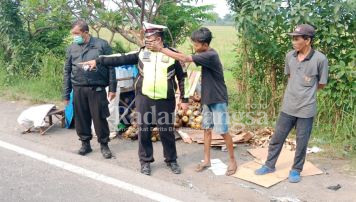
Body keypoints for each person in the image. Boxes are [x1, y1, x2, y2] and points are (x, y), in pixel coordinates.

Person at [80, 22, 190, 176]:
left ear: (159, 40)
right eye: (146, 39)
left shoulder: (172, 55)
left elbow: (182, 78)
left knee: (166, 131)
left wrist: (184, 99)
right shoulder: (142, 53)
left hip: (165, 100)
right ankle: (145, 161)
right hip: (144, 98)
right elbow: (120, 59)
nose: (147, 41)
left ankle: (171, 160)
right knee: (144, 130)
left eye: (150, 39)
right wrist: (97, 61)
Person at [147, 27, 238, 176]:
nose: (195, 48)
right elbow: (188, 60)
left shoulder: (210, 55)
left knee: (223, 131)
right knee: (207, 130)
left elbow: (185, 58)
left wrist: (160, 49)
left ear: (205, 45)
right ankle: (206, 160)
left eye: (196, 45)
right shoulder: (204, 53)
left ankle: (233, 161)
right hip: (208, 98)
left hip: (218, 99)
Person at [254, 24, 329, 183]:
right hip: (288, 106)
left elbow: (321, 84)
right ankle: (269, 165)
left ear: (307, 40)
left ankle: (296, 170)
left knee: (302, 142)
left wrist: (306, 93)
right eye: (293, 39)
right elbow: (290, 77)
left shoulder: (320, 59)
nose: (293, 42)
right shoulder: (290, 56)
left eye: (297, 39)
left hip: (306, 109)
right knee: (277, 138)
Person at [63, 19, 117, 159]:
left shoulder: (101, 45)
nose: (74, 36)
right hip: (78, 88)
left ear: (85, 32)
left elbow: (111, 67)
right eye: (73, 34)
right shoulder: (72, 48)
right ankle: (85, 144)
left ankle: (104, 144)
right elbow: (67, 70)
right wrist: (66, 93)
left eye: (76, 33)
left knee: (99, 118)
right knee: (81, 118)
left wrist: (112, 88)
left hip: (97, 88)